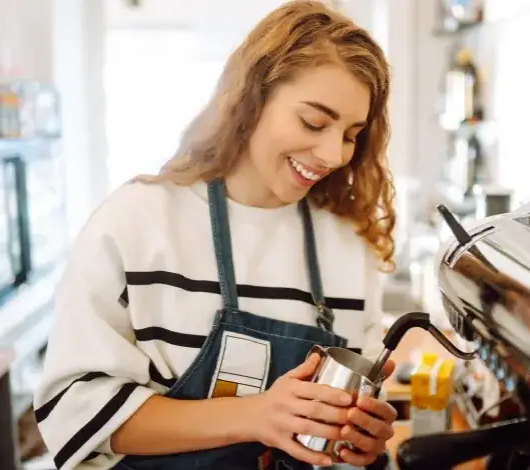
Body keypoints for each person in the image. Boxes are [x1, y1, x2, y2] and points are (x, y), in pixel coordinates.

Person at [33, 2, 398, 469]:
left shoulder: (350, 252)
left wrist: (359, 444)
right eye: (313, 122)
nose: (332, 153)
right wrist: (255, 417)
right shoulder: (136, 222)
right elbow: (73, 408)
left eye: (351, 134)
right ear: (250, 98)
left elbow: (338, 447)